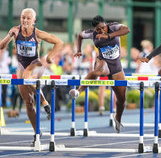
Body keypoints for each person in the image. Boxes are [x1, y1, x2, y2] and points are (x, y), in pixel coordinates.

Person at [0, 8, 63, 146]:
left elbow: (59, 42)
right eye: (23, 17)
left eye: (28, 18)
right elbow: (1, 46)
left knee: (28, 75)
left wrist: (51, 56)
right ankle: (37, 132)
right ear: (20, 18)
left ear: (33, 21)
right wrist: (9, 35)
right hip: (21, 67)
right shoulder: (15, 31)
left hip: (36, 65)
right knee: (28, 103)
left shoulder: (38, 33)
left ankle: (45, 103)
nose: (25, 20)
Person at [69, 15, 130, 133]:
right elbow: (80, 36)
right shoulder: (91, 34)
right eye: (98, 29)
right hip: (103, 62)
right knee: (99, 71)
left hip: (117, 68)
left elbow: (127, 30)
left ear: (106, 25)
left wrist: (108, 35)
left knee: (122, 99)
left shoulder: (114, 27)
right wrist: (78, 50)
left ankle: (117, 119)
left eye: (103, 28)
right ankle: (78, 91)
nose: (101, 31)